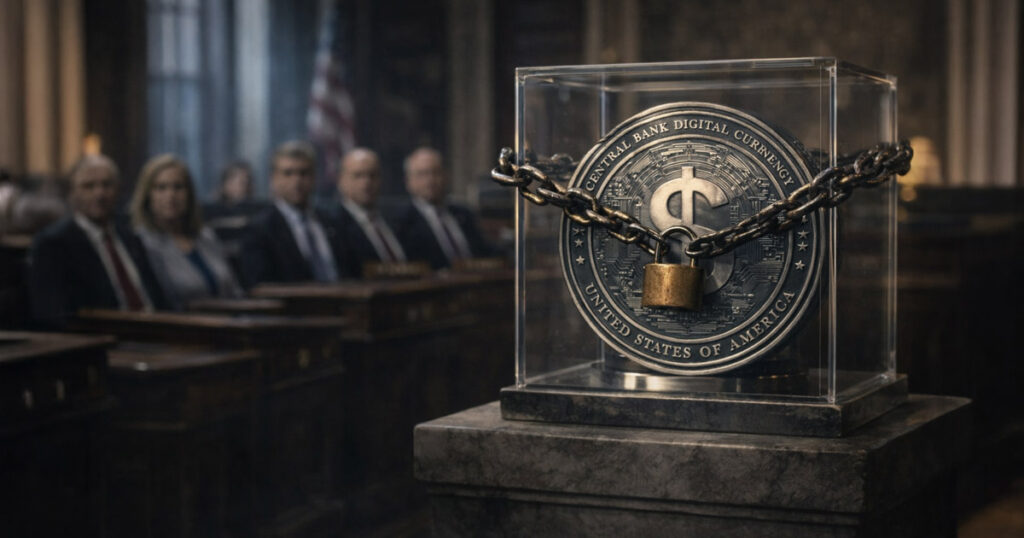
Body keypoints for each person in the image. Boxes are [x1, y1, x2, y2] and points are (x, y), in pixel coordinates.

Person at [28, 154, 168, 327]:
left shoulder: (130, 237)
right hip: (107, 338)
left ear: (118, 190)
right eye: (89, 186)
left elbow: (159, 298)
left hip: (158, 329)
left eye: (107, 185)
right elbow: (53, 314)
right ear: (72, 193)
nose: (99, 193)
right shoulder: (53, 244)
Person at [129, 154, 243, 310]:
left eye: (178, 187)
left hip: (230, 324)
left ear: (189, 193)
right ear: (148, 195)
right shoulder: (142, 244)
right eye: (161, 188)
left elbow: (234, 289)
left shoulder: (205, 236)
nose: (171, 195)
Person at [239, 140, 351, 287]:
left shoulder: (332, 222)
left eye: (303, 173)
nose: (297, 180)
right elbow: (259, 286)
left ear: (314, 177)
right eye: (288, 173)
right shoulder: (260, 230)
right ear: (274, 179)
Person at [394, 147, 493, 269]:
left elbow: (484, 252)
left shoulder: (463, 213)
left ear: (446, 175)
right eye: (422, 174)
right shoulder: (403, 222)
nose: (430, 180)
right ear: (409, 181)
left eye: (436, 172)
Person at [328, 147, 406, 276]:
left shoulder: (396, 220)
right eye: (358, 175)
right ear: (341, 180)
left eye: (372, 175)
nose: (366, 182)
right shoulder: (334, 226)